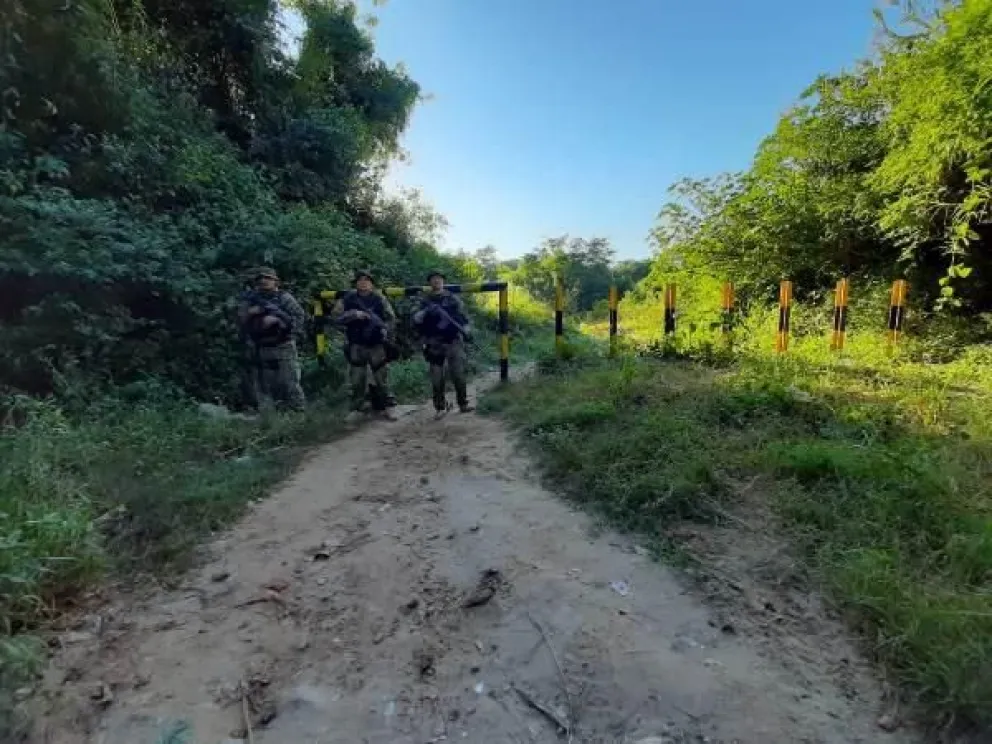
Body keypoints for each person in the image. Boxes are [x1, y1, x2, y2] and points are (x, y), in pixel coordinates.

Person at [332, 269, 399, 421]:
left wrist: (385, 331)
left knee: (381, 377)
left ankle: (388, 406)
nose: (363, 283)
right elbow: (335, 317)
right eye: (360, 280)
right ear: (356, 283)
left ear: (371, 283)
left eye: (367, 280)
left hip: (376, 344)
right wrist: (352, 315)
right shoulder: (347, 299)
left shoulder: (379, 299)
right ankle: (357, 408)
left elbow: (391, 319)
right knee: (356, 379)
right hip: (356, 343)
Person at [237, 267, 306, 412]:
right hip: (262, 347)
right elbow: (242, 321)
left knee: (289, 382)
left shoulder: (284, 298)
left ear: (276, 282)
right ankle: (276, 416)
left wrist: (280, 323)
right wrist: (251, 313)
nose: (264, 281)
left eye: (268, 278)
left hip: (283, 346)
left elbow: (299, 316)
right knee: (268, 385)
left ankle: (298, 413)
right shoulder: (250, 299)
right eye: (260, 279)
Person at [413, 269, 474, 419]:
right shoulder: (423, 300)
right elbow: (415, 319)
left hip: (453, 341)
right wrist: (427, 311)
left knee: (458, 374)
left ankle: (463, 403)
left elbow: (465, 318)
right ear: (429, 282)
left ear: (443, 281)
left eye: (439, 278)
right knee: (436, 377)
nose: (437, 281)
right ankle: (440, 407)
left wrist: (466, 331)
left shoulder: (453, 299)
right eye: (433, 279)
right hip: (433, 342)